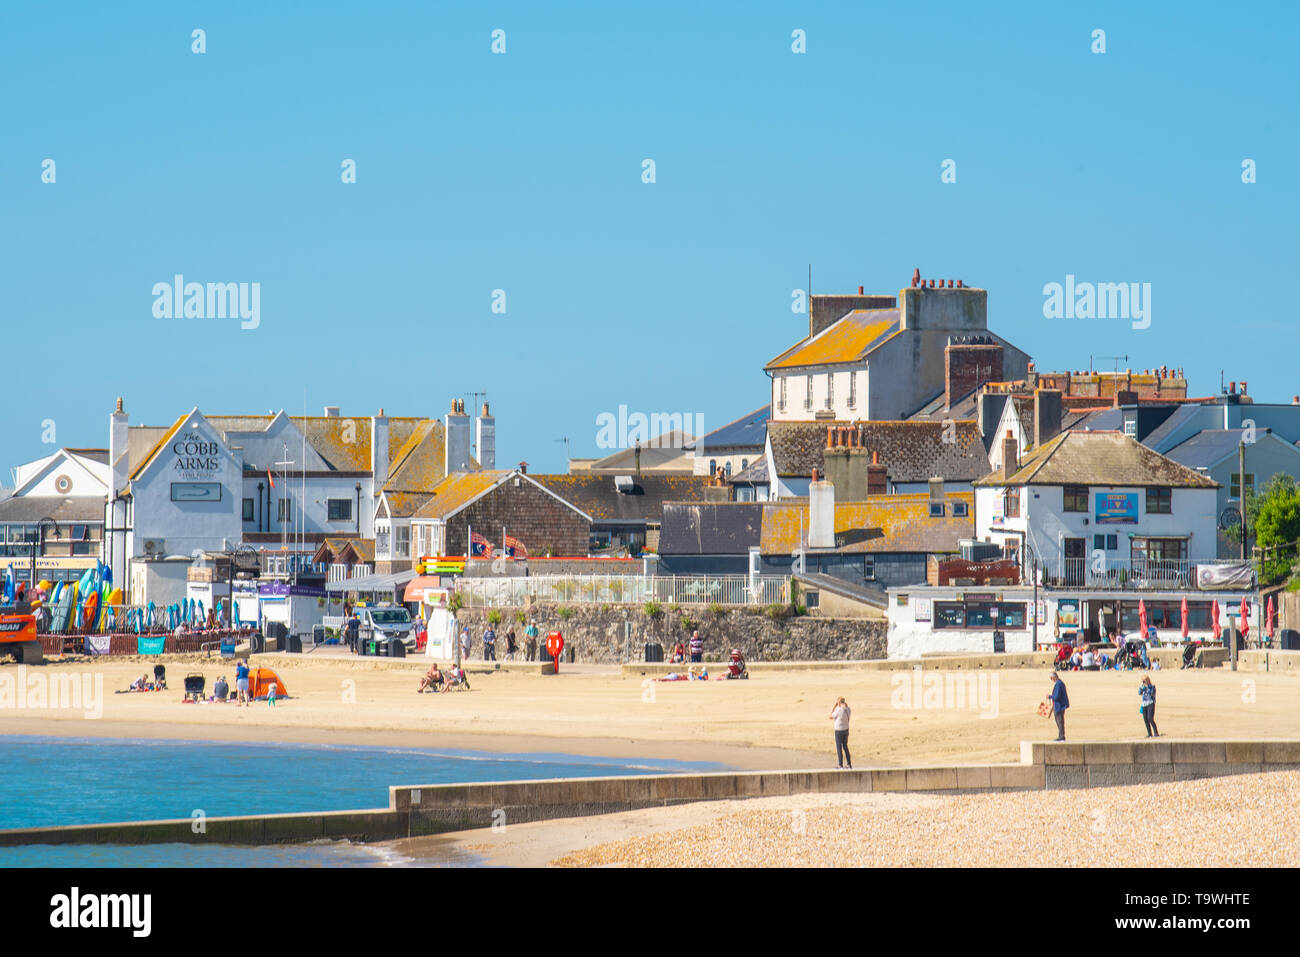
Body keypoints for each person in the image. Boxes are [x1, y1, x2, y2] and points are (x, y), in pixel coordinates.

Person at [830, 697, 852, 769]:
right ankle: (849, 764)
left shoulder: (838, 710)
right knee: (845, 747)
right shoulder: (848, 710)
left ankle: (840, 764)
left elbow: (830, 716)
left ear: (838, 703)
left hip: (839, 730)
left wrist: (834, 706)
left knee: (839, 747)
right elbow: (847, 707)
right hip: (846, 730)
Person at [1046, 673, 1069, 741]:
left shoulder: (1059, 684)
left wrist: (1050, 696)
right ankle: (1061, 736)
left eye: (1051, 678)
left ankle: (1061, 736)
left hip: (1059, 706)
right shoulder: (1060, 683)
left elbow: (1057, 696)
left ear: (1054, 677)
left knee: (1059, 721)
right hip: (1060, 705)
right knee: (1060, 721)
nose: (1051, 680)